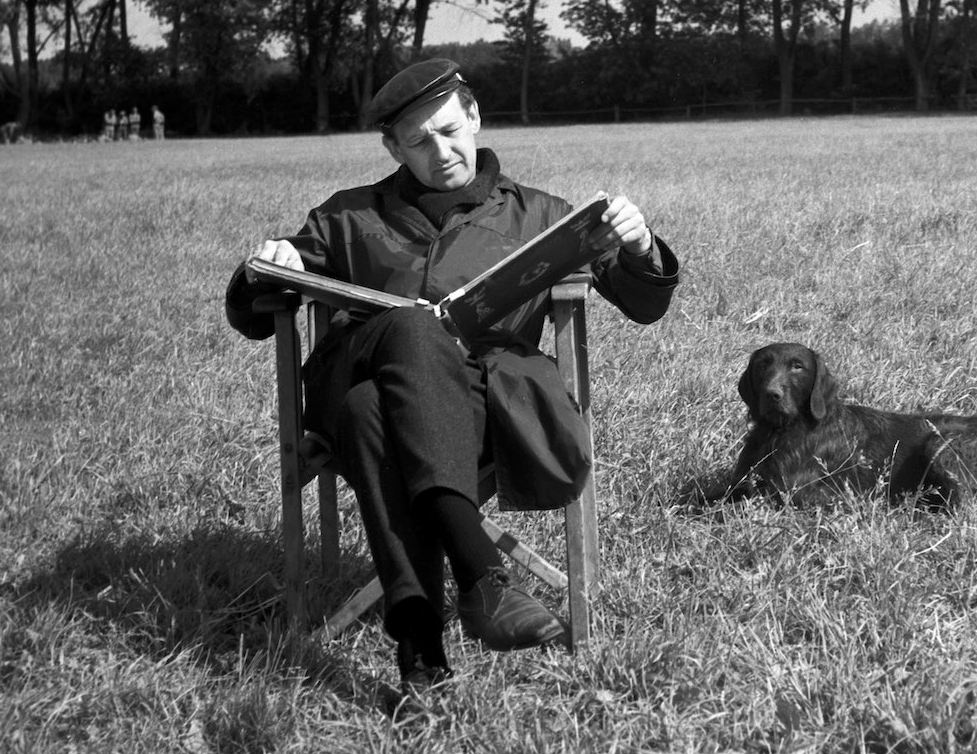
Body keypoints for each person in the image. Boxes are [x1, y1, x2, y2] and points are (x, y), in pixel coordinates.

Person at [224, 59, 678, 687]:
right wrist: (265, 268)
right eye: (418, 141)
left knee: (369, 410)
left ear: (475, 118)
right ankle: (481, 575)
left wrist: (640, 244)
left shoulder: (542, 215)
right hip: (350, 367)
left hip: (477, 407)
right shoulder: (346, 216)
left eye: (449, 130)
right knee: (414, 327)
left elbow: (645, 304)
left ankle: (420, 651)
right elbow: (254, 312)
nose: (440, 152)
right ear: (393, 149)